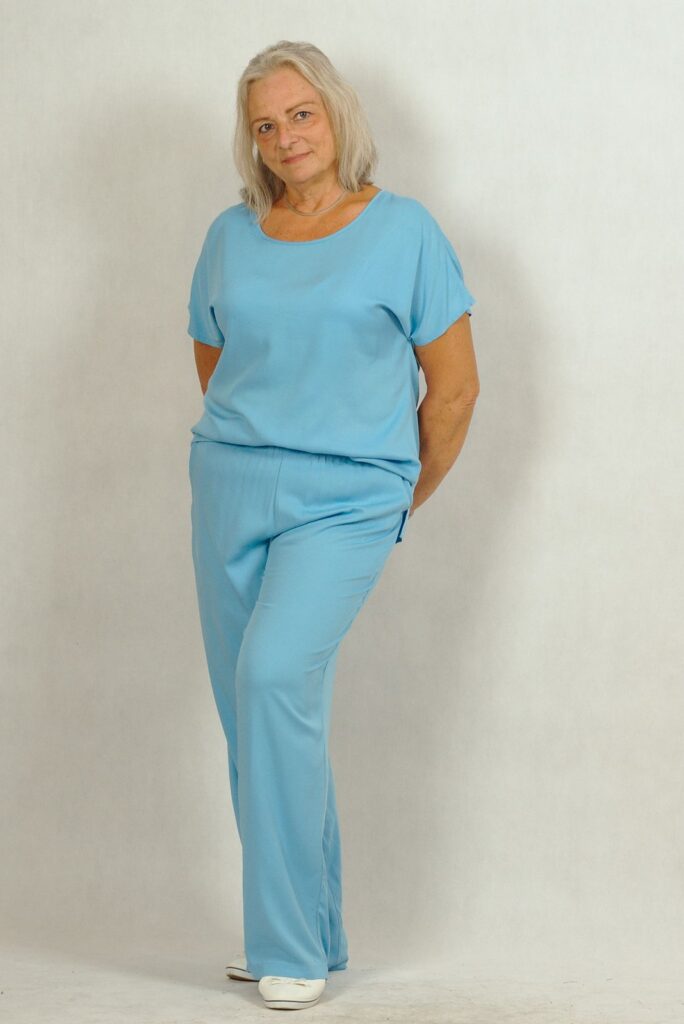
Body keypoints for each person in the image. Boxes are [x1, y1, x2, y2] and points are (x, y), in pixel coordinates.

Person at [186, 40, 480, 1011]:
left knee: (274, 675)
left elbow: (455, 389)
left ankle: (286, 945)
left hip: (349, 496)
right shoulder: (231, 235)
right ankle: (311, 930)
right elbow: (218, 362)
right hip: (230, 485)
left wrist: (394, 497)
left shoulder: (405, 232)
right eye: (266, 125)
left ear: (337, 113)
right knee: (255, 712)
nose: (286, 137)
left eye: (301, 114)